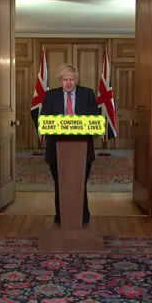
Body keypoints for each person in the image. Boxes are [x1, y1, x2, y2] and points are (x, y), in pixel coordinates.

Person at [40, 63, 100, 225]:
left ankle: (82, 216)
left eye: (71, 79)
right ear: (60, 81)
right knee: (61, 184)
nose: (68, 82)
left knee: (79, 184)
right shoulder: (51, 96)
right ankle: (61, 216)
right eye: (65, 79)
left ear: (76, 80)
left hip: (82, 150)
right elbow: (43, 119)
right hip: (57, 150)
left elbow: (96, 119)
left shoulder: (87, 94)